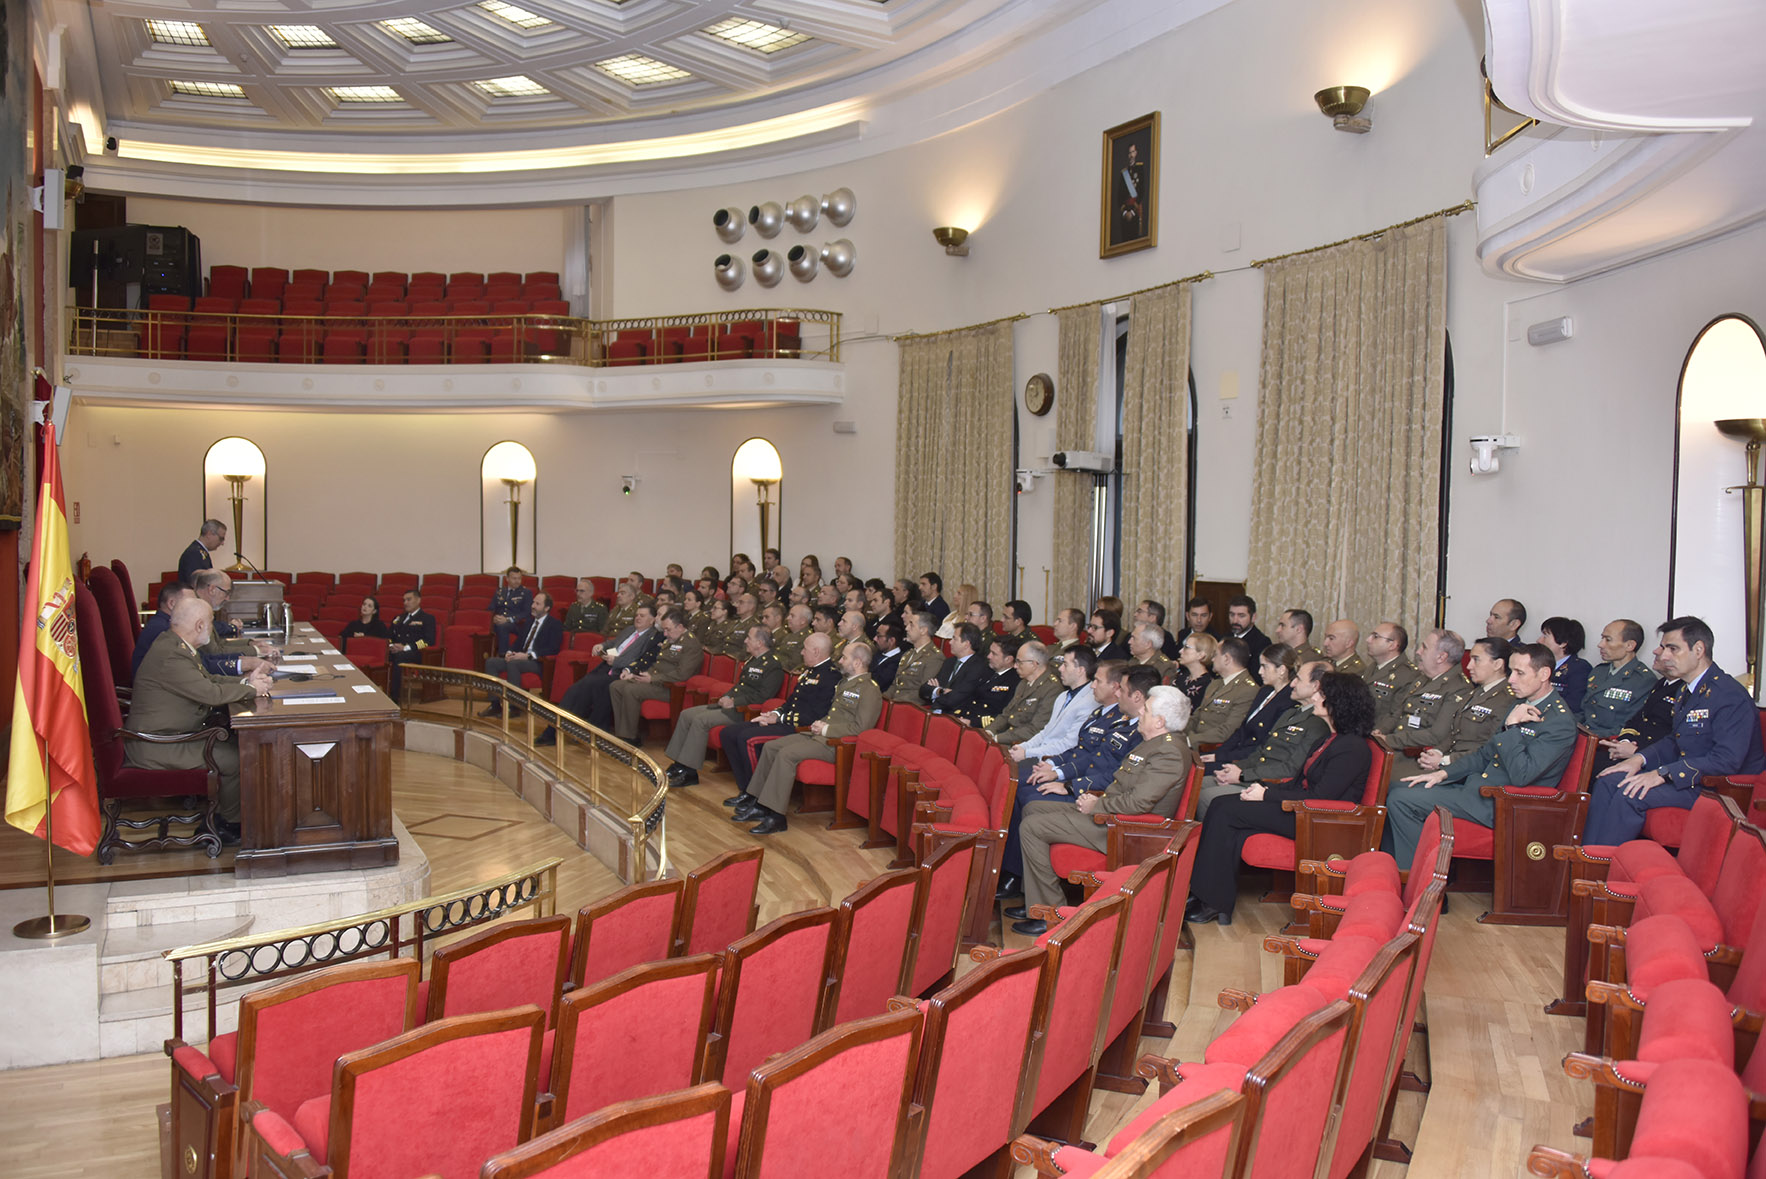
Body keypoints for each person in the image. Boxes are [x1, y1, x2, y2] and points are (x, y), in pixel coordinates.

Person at [1186, 672, 1375, 925]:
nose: (1316, 697)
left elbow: (1322, 796)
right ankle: (1207, 895)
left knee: (1225, 810)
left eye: (1321, 694)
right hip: (1303, 810)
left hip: (1321, 820)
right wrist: (1262, 787)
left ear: (1337, 702)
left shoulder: (1352, 747)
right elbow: (1299, 782)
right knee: (1222, 805)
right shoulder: (1329, 738)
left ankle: (1211, 901)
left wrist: (1266, 795)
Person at [1008, 685, 1194, 934]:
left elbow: (1139, 804)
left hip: (1128, 830)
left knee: (1032, 826)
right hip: (1113, 815)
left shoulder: (1168, 752)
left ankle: (1050, 914)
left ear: (1160, 722)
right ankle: (1035, 901)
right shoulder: (1155, 743)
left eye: (1146, 710)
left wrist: (1098, 804)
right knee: (1034, 808)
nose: (1141, 711)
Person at [1385, 642, 1577, 863]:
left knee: (1401, 799)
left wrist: (1512, 727)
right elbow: (1485, 754)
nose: (1511, 679)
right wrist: (1443, 774)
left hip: (1502, 803)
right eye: (1511, 671)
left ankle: (1418, 879)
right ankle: (1393, 869)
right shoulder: (1521, 702)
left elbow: (1522, 775)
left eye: (1519, 673)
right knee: (1398, 786)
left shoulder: (1559, 722)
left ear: (1544, 674)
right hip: (1478, 787)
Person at [1583, 617, 1766, 845]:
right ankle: (1589, 861)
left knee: (1630, 793)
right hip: (1689, 777)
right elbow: (1675, 740)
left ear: (1698, 649)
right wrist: (1639, 760)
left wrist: (1662, 773)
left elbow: (1727, 760)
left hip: (1717, 787)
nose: (1664, 655)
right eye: (1665, 647)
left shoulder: (1728, 695)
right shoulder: (1687, 690)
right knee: (1609, 780)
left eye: (1673, 648)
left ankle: (1607, 869)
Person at [996, 662, 1153, 899]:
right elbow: (1083, 752)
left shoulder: (1142, 735)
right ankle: (1021, 883)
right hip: (1087, 786)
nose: (1093, 686)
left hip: (1098, 799)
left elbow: (1117, 777)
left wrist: (1067, 783)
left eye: (1098, 681)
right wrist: (1055, 767)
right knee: (1025, 793)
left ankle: (1030, 891)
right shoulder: (1112, 717)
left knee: (1029, 799)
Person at [125, 598, 273, 841]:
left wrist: (247, 682)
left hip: (169, 737)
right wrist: (252, 690)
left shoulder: (174, 645)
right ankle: (229, 825)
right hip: (157, 745)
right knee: (236, 758)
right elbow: (211, 693)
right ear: (199, 625)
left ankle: (231, 815)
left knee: (236, 747)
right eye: (211, 622)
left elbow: (209, 681)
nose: (212, 628)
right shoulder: (173, 654)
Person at [740, 641, 883, 833]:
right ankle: (758, 803)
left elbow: (862, 727)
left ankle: (776, 816)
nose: (840, 660)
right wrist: (819, 724)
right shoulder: (844, 682)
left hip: (836, 744)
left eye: (844, 657)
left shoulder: (869, 689)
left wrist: (826, 730)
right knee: (771, 747)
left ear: (858, 662)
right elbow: (834, 713)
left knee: (786, 755)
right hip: (819, 736)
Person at [1193, 658, 1331, 818]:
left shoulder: (1318, 724)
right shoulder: (1291, 713)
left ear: (1316, 686)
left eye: (1298, 679)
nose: (1292, 684)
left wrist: (1243, 775)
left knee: (1206, 797)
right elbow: (1262, 750)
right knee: (1197, 785)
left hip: (1269, 784)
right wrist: (1236, 768)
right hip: (1253, 775)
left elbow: (1292, 769)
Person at [721, 633, 841, 805]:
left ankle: (755, 795)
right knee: (729, 733)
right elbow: (791, 701)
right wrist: (775, 714)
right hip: (787, 721)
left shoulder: (830, 677)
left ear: (816, 652)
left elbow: (814, 715)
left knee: (748, 739)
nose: (801, 653)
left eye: (804, 649)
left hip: (799, 728)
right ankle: (746, 788)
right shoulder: (809, 671)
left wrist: (780, 719)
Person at [663, 625, 784, 787]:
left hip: (744, 712)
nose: (745, 641)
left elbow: (764, 696)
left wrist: (735, 702)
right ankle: (679, 763)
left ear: (760, 643)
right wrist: (727, 696)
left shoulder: (773, 665)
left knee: (700, 721)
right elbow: (741, 685)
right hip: (730, 705)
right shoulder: (753, 659)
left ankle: (689, 772)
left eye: (749, 638)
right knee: (686, 714)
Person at [1386, 637, 1514, 783]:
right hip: (1447, 763)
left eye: (1476, 659)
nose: (1469, 666)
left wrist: (1445, 760)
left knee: (1395, 786)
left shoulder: (1506, 700)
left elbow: (1488, 748)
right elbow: (1454, 732)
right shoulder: (1476, 693)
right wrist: (1437, 751)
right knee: (1386, 778)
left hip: (1469, 772)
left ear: (1497, 664)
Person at [537, 603, 660, 743]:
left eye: (642, 616)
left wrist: (616, 660)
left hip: (620, 673)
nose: (637, 618)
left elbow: (637, 659)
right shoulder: (629, 629)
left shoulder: (652, 637)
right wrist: (601, 646)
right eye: (637, 615)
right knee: (574, 690)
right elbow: (614, 644)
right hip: (606, 668)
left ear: (652, 620)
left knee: (588, 686)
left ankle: (563, 731)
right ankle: (556, 729)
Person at [609, 608, 704, 743]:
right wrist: (637, 675)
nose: (665, 634)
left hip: (671, 688)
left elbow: (682, 674)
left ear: (680, 627)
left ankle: (629, 737)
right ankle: (621, 732)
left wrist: (652, 679)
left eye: (668, 630)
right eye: (664, 630)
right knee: (616, 686)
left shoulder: (690, 644)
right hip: (656, 681)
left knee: (631, 690)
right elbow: (659, 664)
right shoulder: (672, 639)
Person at [1201, 643, 1299, 771]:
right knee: (1192, 762)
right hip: (1236, 753)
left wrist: (1223, 757)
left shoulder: (1288, 702)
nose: (1259, 672)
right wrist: (1217, 754)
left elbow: (1263, 745)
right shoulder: (1265, 691)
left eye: (1264, 667)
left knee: (1198, 771)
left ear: (1281, 670)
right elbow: (1242, 730)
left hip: (1250, 762)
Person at [1375, 629, 1469, 757]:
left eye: (1424, 647)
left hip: (1417, 756)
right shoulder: (1422, 679)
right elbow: (1398, 713)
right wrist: (1380, 731)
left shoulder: (1459, 688)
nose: (1418, 651)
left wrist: (1389, 740)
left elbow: (1436, 735)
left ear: (1441, 657)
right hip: (1393, 748)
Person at [481, 592, 562, 711]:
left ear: (546, 608)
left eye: (537, 604)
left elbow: (553, 648)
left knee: (514, 664)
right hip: (520, 658)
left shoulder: (554, 624)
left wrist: (528, 656)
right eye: (533, 602)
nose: (533, 606)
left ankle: (514, 706)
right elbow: (518, 642)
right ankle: (495, 705)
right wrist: (510, 652)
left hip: (537, 662)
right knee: (491, 662)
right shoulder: (529, 622)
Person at [1184, 636, 1259, 745]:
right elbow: (1196, 718)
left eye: (1215, 655)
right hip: (1196, 744)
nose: (1213, 659)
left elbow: (1228, 730)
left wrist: (1189, 741)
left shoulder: (1247, 690)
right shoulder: (1215, 684)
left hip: (1214, 750)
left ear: (1226, 659)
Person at [984, 642, 1062, 746]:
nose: (1015, 666)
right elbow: (1007, 714)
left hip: (1023, 745)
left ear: (1034, 664)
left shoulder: (1052, 689)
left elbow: (1035, 729)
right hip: (1008, 737)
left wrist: (997, 738)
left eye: (1019, 662)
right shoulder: (1024, 682)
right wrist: (989, 731)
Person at [1363, 621, 1421, 734]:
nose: (1368, 640)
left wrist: (1377, 734)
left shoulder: (1408, 675)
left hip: (1378, 736)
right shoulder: (1372, 667)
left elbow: (1397, 714)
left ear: (1392, 645)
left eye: (1375, 637)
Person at [921, 622, 987, 714]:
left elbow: (955, 699)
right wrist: (941, 691)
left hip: (954, 716)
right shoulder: (949, 662)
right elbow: (924, 689)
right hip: (937, 712)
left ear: (966, 644)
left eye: (954, 639)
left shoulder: (977, 667)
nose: (950, 642)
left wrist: (935, 693)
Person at [959, 633, 1021, 724]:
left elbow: (1004, 716)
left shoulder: (1015, 682)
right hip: (964, 718)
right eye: (990, 652)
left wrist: (972, 722)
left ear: (1008, 659)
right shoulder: (986, 670)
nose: (988, 656)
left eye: (994, 654)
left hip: (982, 727)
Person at [386, 588, 437, 699]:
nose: (405, 603)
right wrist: (391, 646)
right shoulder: (399, 618)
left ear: (418, 600)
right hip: (396, 650)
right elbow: (389, 636)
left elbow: (428, 641)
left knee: (399, 657)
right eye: (404, 600)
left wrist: (406, 648)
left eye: (409, 599)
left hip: (416, 652)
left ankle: (394, 697)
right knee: (383, 656)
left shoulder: (427, 618)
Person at [1539, 616, 1593, 715]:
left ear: (1563, 643)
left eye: (1545, 636)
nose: (1539, 640)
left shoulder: (1579, 668)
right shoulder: (1538, 663)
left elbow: (1573, 705)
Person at [489, 568, 535, 656]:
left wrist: (508, 619)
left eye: (519, 578)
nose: (517, 581)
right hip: (499, 622)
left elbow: (527, 613)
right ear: (507, 579)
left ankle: (503, 655)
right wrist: (494, 617)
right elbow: (491, 608)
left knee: (503, 626)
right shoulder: (500, 591)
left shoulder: (526, 593)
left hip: (517, 624)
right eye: (514, 578)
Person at [1171, 632, 1217, 711]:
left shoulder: (1207, 685)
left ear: (1201, 655)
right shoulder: (1182, 676)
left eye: (1186, 647)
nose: (1180, 651)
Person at [1226, 594, 1271, 669]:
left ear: (1253, 617)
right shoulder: (1224, 637)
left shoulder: (1262, 642)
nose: (1235, 620)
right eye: (1232, 615)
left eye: (1241, 616)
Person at [179, 519, 227, 584]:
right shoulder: (194, 554)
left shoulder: (200, 551)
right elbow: (195, 583)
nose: (222, 543)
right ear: (209, 534)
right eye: (221, 538)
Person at [869, 619, 903, 694]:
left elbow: (879, 682)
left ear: (891, 640)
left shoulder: (899, 661)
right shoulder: (876, 653)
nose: (874, 639)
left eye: (879, 636)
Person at [775, 602, 812, 671]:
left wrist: (773, 664)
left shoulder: (807, 639)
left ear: (803, 621)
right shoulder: (788, 636)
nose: (788, 618)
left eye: (792, 616)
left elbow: (795, 663)